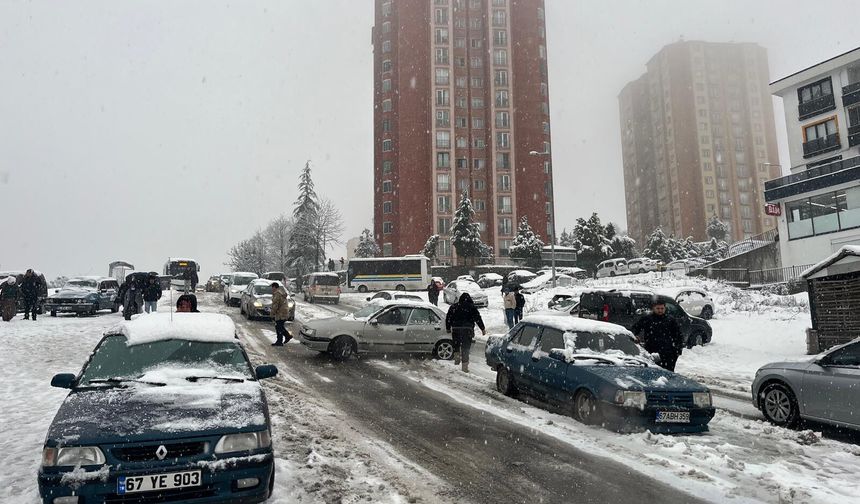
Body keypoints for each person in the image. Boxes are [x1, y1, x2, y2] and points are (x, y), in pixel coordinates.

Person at [631, 299, 684, 372]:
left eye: (662, 308)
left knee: (668, 374)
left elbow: (678, 336)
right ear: (653, 308)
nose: (660, 310)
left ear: (665, 308)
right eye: (658, 308)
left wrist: (677, 350)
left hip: (668, 354)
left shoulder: (670, 320)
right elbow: (635, 328)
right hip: (651, 351)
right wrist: (635, 336)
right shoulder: (647, 319)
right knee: (651, 373)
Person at [445, 293, 486, 373]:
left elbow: (448, 317)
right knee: (465, 348)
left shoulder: (454, 306)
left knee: (456, 344)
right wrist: (482, 328)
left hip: (456, 329)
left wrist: (448, 328)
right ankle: (464, 367)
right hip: (467, 330)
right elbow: (478, 318)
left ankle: (457, 357)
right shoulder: (471, 307)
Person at [270, 282, 292, 346]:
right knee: (279, 326)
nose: (272, 289)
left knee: (278, 327)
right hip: (283, 312)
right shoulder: (280, 292)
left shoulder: (277, 294)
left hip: (280, 313)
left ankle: (281, 340)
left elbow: (275, 305)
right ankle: (285, 337)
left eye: (272, 287)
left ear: (274, 287)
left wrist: (272, 314)